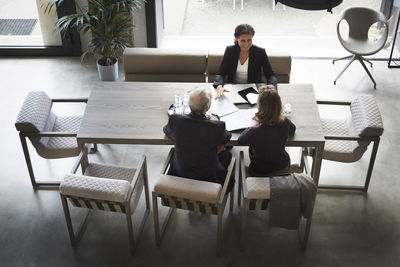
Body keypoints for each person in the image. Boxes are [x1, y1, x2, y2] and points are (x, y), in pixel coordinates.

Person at [163, 87, 234, 191]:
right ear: (207, 108)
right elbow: (227, 136)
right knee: (227, 154)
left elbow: (167, 131)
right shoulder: (216, 127)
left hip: (179, 174)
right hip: (209, 180)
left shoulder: (176, 120)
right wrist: (207, 121)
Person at [238, 86, 296, 176]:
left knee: (251, 148)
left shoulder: (254, 131)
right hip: (283, 167)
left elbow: (240, 140)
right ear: (279, 106)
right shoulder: (284, 122)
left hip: (259, 172)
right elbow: (293, 129)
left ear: (260, 106)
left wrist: (252, 125)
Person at [213, 24, 278, 98]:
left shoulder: (260, 52)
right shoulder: (230, 51)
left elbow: (271, 75)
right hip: (233, 88)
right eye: (242, 41)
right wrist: (219, 87)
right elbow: (221, 73)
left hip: (253, 90)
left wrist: (272, 87)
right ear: (237, 39)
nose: (246, 44)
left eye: (249, 40)